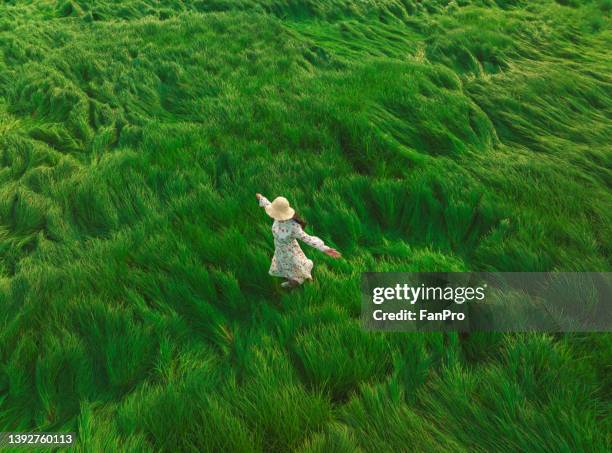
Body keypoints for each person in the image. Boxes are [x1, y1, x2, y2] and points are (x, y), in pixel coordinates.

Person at [256, 193, 341, 288]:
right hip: (280, 250)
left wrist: (325, 249)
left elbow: (307, 238)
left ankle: (301, 282)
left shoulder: (293, 227)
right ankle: (293, 281)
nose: (273, 215)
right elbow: (268, 205)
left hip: (290, 251)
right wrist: (261, 198)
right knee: (285, 266)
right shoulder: (277, 217)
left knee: (296, 266)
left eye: (275, 213)